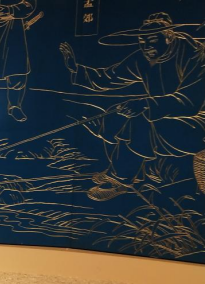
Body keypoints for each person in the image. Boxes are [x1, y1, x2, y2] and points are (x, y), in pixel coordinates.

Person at [59, 12, 205, 201]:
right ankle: (122, 170)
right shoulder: (144, 58)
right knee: (115, 116)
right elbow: (110, 77)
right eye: (142, 41)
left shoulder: (196, 55)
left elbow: (189, 101)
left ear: (169, 37)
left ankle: (120, 180)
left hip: (198, 122)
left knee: (140, 122)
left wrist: (145, 104)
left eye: (152, 41)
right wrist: (77, 69)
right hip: (165, 114)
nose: (146, 46)